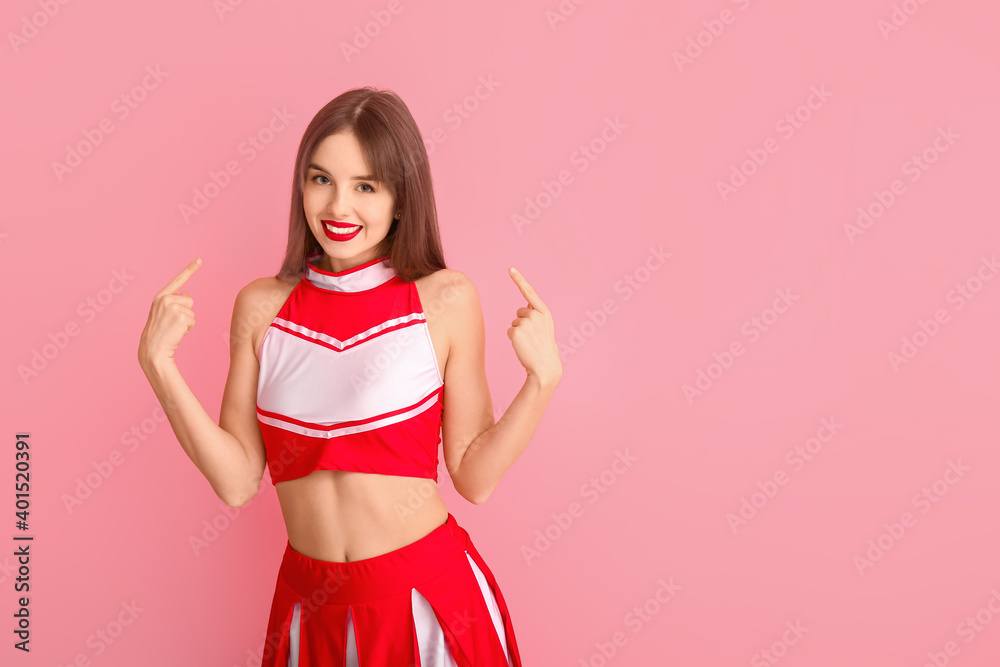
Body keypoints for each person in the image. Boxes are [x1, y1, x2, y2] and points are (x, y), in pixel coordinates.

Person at [137, 86, 562, 666]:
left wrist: (540, 382)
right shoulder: (261, 306)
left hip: (427, 602)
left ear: (400, 199)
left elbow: (474, 476)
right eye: (321, 180)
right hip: (308, 612)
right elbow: (237, 481)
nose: (339, 207)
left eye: (366, 186)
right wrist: (160, 367)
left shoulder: (445, 298)